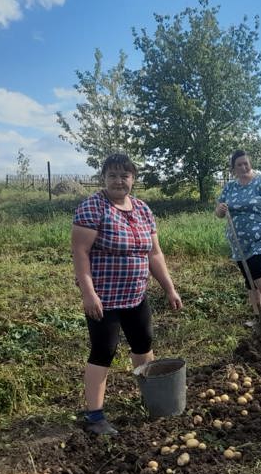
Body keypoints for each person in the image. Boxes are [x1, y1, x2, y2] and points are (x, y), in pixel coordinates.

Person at [72, 154, 183, 435]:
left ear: (133, 178)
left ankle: (151, 399)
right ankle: (94, 416)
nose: (119, 181)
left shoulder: (143, 210)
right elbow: (80, 253)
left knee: (143, 344)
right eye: (113, 175)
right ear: (104, 178)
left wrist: (169, 288)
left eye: (125, 175)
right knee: (103, 351)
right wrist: (89, 294)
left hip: (136, 295)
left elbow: (154, 253)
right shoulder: (93, 207)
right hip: (104, 298)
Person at [214, 150, 261, 327]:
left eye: (246, 163)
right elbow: (219, 212)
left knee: (256, 266)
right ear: (233, 169)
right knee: (248, 276)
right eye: (239, 164)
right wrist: (220, 211)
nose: (244, 167)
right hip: (238, 240)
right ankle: (257, 315)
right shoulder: (230, 187)